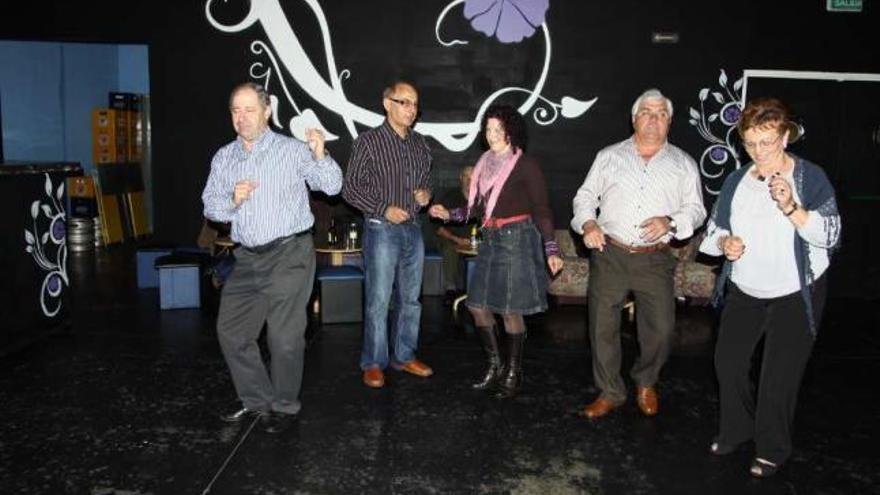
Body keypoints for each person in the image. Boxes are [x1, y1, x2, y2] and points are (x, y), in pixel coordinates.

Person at [699, 97, 841, 478]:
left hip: (795, 293)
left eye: (767, 142)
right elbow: (710, 237)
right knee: (727, 364)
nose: (758, 151)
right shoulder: (736, 180)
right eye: (750, 143)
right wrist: (724, 243)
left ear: (785, 136)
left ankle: (772, 448)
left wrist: (793, 207)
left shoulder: (810, 177)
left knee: (778, 376)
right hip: (746, 290)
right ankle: (737, 429)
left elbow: (831, 234)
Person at [202, 82, 343, 433]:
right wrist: (233, 200)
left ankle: (283, 406)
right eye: (236, 110)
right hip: (248, 257)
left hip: (289, 253)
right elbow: (211, 207)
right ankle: (256, 400)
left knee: (283, 336)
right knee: (231, 331)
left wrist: (320, 153)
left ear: (267, 111)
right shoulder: (224, 157)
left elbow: (332, 186)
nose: (242, 117)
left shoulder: (292, 151)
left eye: (250, 109)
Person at [571, 88, 706, 418]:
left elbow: (697, 210)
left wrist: (671, 221)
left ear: (669, 122)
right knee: (602, 327)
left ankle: (646, 381)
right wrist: (588, 224)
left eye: (661, 114)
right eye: (647, 112)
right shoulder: (608, 156)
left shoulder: (683, 163)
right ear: (634, 118)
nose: (653, 119)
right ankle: (610, 391)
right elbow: (584, 197)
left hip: (655, 258)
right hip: (610, 253)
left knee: (660, 328)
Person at [429, 104, 563, 399]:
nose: (491, 135)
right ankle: (495, 365)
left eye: (498, 130)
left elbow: (541, 209)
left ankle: (514, 371)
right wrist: (448, 214)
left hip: (517, 238)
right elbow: (476, 209)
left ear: (511, 131)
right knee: (477, 304)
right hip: (490, 237)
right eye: (488, 130)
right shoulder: (483, 163)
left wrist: (551, 246)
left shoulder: (525, 164)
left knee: (509, 310)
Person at [342, 81, 434, 388]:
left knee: (411, 300)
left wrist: (425, 195)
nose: (410, 109)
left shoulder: (422, 144)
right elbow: (351, 188)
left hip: (413, 230)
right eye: (404, 102)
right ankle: (373, 362)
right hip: (381, 230)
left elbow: (425, 185)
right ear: (387, 103)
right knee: (379, 300)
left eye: (414, 104)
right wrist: (384, 208)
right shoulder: (368, 142)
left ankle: (404, 356)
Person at [434, 166, 475, 303]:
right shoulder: (450, 197)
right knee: (449, 248)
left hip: (474, 241)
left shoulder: (482, 199)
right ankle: (450, 289)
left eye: (473, 177)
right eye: (466, 177)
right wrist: (457, 239)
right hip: (451, 239)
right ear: (460, 179)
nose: (470, 181)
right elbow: (438, 228)